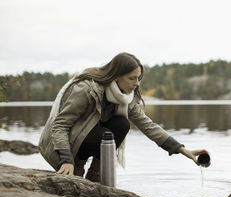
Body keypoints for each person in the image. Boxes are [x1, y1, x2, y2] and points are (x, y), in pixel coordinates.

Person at [39, 52, 208, 182]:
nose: (137, 83)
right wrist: (67, 160)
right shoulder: (86, 89)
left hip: (89, 137)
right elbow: (60, 125)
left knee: (121, 124)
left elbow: (147, 125)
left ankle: (95, 175)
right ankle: (78, 166)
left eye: (139, 78)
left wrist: (182, 149)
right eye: (132, 78)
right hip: (65, 146)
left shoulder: (126, 97)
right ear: (116, 77)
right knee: (106, 134)